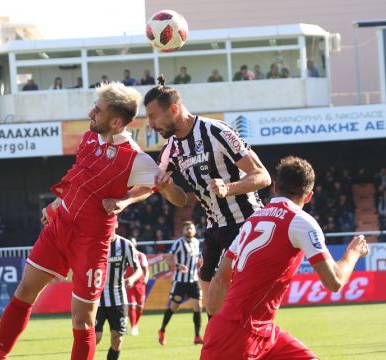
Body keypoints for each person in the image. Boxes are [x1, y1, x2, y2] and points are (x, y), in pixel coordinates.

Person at [0, 82, 187, 360]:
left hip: (91, 243)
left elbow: (177, 199)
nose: (90, 112)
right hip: (60, 228)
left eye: (98, 109)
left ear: (116, 121)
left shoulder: (136, 159)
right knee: (23, 291)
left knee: (82, 321)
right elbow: (80, 178)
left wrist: (152, 191)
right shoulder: (89, 137)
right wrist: (58, 203)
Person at [201, 156, 369, 359]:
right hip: (240, 335)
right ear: (308, 196)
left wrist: (215, 327)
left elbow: (220, 280)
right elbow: (334, 281)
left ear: (274, 186)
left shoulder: (253, 220)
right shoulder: (300, 221)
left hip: (255, 331)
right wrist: (354, 251)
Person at [143, 76, 271, 315]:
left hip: (245, 224)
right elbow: (180, 200)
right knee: (212, 308)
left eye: (153, 116)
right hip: (214, 229)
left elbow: (263, 176)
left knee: (232, 302)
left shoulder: (217, 131)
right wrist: (167, 187)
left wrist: (229, 188)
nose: (150, 125)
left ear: (173, 108)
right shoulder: (170, 148)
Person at [95, 229, 142, 360]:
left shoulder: (125, 245)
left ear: (115, 224)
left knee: (117, 339)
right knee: (95, 338)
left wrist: (132, 279)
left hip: (118, 299)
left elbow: (138, 269)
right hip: (97, 300)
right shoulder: (94, 243)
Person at [158, 220, 204, 346]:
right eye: (187, 229)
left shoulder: (196, 242)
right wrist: (178, 265)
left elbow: (197, 259)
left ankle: (197, 336)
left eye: (191, 228)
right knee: (174, 306)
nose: (189, 230)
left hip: (193, 280)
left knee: (198, 306)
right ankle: (162, 330)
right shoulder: (179, 243)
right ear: (183, 231)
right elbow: (168, 258)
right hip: (180, 281)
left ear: (195, 230)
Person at [125, 237, 149, 335]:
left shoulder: (141, 255)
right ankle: (133, 326)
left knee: (140, 307)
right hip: (129, 283)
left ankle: (135, 324)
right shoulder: (125, 255)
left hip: (140, 284)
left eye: (133, 242)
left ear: (135, 244)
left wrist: (145, 280)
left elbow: (145, 269)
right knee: (131, 305)